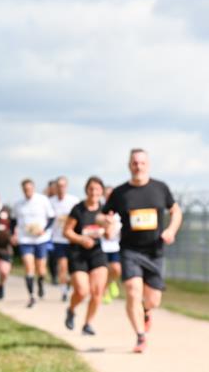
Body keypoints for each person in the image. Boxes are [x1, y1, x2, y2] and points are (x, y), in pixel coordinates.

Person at [98, 148, 183, 353]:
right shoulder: (120, 193)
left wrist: (171, 230)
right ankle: (140, 336)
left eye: (142, 163)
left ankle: (146, 311)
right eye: (135, 163)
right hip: (130, 250)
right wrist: (106, 221)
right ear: (129, 165)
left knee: (153, 300)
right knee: (133, 291)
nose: (138, 166)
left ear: (148, 165)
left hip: (154, 251)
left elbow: (176, 211)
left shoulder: (160, 188)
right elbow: (101, 215)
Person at [63, 177, 109, 334]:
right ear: (86, 190)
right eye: (91, 189)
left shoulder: (105, 210)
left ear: (102, 191)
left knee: (97, 291)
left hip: (97, 253)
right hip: (78, 253)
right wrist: (81, 239)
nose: (94, 192)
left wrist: (109, 227)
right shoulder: (78, 209)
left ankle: (87, 324)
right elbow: (67, 231)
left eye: (97, 189)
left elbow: (109, 234)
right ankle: (71, 309)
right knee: (82, 291)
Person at [13, 178, 55, 308]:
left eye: (30, 189)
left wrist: (44, 230)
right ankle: (31, 296)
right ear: (22, 190)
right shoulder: (18, 204)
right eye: (25, 189)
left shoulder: (43, 200)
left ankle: (41, 283)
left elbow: (51, 218)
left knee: (41, 269)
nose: (28, 191)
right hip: (25, 239)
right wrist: (13, 234)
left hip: (40, 239)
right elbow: (13, 221)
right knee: (28, 267)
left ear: (34, 188)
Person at [48, 175, 80, 303]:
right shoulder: (50, 202)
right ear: (55, 187)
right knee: (62, 266)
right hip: (58, 239)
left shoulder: (74, 200)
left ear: (66, 187)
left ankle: (69, 285)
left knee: (73, 269)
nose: (61, 188)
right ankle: (64, 292)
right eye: (59, 186)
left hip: (72, 238)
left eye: (63, 186)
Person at [99, 185, 123, 304]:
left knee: (116, 269)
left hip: (115, 245)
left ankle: (111, 283)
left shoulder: (120, 209)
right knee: (103, 271)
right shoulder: (100, 209)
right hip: (102, 245)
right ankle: (105, 292)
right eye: (107, 194)